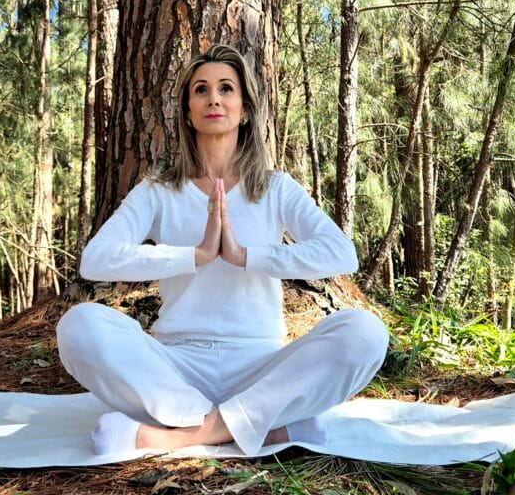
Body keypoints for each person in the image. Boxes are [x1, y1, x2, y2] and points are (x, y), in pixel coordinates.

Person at [56, 44, 389, 455]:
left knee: (365, 333)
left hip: (260, 366)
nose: (214, 97)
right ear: (188, 111)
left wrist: (245, 256)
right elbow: (96, 260)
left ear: (244, 108)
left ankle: (185, 435)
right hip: (175, 369)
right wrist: (192, 256)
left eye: (226, 88)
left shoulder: (275, 187)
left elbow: (342, 253)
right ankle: (259, 427)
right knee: (80, 325)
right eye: (201, 89)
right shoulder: (159, 191)